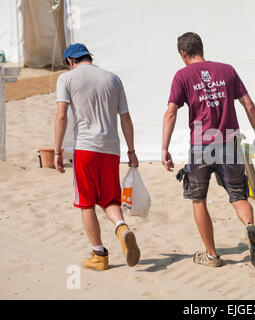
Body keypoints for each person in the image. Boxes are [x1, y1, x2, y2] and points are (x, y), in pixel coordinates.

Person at [162, 32, 255, 268]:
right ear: (201, 48)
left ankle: (211, 255)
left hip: (201, 145)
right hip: (229, 142)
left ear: (182, 54)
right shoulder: (227, 70)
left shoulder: (182, 75)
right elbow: (248, 104)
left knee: (199, 200)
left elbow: (171, 112)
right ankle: (250, 227)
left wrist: (164, 148)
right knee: (238, 195)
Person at [54, 43, 140, 271]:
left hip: (85, 148)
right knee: (110, 199)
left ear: (70, 61)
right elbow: (126, 118)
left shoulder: (67, 79)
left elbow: (61, 116)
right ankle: (121, 226)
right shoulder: (113, 79)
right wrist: (131, 151)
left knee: (87, 202)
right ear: (88, 58)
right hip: (111, 149)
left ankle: (99, 255)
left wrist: (57, 150)